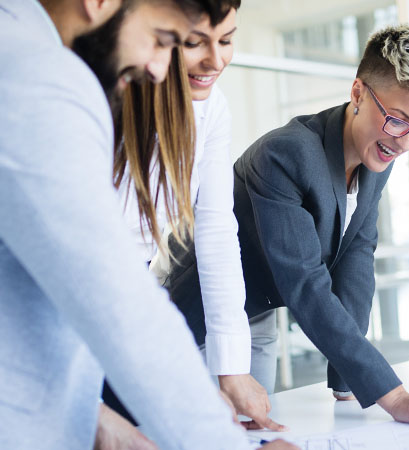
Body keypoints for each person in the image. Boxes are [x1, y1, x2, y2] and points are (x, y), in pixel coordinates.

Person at [0, 0, 288, 449]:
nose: (158, 68)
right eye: (166, 39)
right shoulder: (41, 77)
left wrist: (93, 416)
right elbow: (110, 294)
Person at [230, 24, 409, 427]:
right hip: (203, 319)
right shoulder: (285, 154)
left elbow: (356, 260)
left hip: (258, 317)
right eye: (398, 120)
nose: (404, 143)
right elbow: (305, 283)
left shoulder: (374, 160)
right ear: (358, 93)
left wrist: (346, 382)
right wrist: (391, 394)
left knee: (256, 432)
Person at [102, 0, 285, 433]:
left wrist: (231, 368)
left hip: (133, 291)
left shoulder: (212, 110)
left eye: (226, 40)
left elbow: (218, 234)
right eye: (193, 42)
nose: (216, 60)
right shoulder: (110, 96)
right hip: (78, 288)